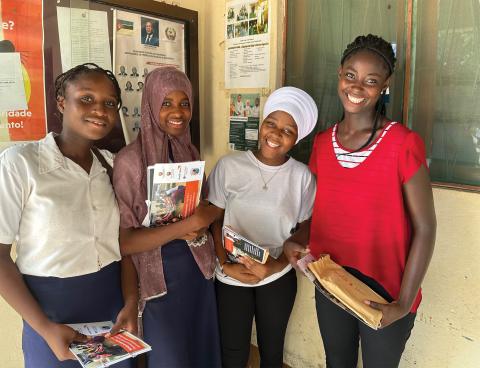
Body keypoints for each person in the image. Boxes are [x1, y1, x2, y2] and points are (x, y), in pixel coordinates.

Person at [284, 34, 437, 368]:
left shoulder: (402, 143)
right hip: (331, 280)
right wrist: (297, 239)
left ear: (384, 86)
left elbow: (426, 228)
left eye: (371, 80)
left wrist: (403, 303)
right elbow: (322, 213)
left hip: (385, 292)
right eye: (351, 75)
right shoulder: (323, 144)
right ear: (340, 74)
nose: (357, 87)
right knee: (337, 362)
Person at [0, 63, 138, 368]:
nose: (100, 110)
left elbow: (124, 244)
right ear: (62, 102)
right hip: (49, 312)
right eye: (86, 99)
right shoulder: (20, 164)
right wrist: (45, 328)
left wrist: (131, 302)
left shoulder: (113, 166)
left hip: (111, 304)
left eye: (110, 103)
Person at [113, 66, 222, 367]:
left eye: (184, 103)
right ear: (150, 104)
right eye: (167, 103)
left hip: (198, 275)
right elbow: (124, 242)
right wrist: (187, 225)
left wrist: (199, 226)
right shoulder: (129, 162)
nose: (178, 112)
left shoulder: (189, 151)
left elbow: (206, 211)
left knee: (201, 353)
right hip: (158, 283)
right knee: (170, 358)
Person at [208, 86, 318, 367]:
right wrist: (224, 264)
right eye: (271, 123)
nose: (276, 134)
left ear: (297, 138)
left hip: (277, 275)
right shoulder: (229, 166)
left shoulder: (302, 177)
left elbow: (305, 226)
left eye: (288, 130)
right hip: (231, 273)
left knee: (272, 352)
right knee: (232, 352)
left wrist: (275, 265)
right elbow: (215, 219)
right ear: (262, 123)